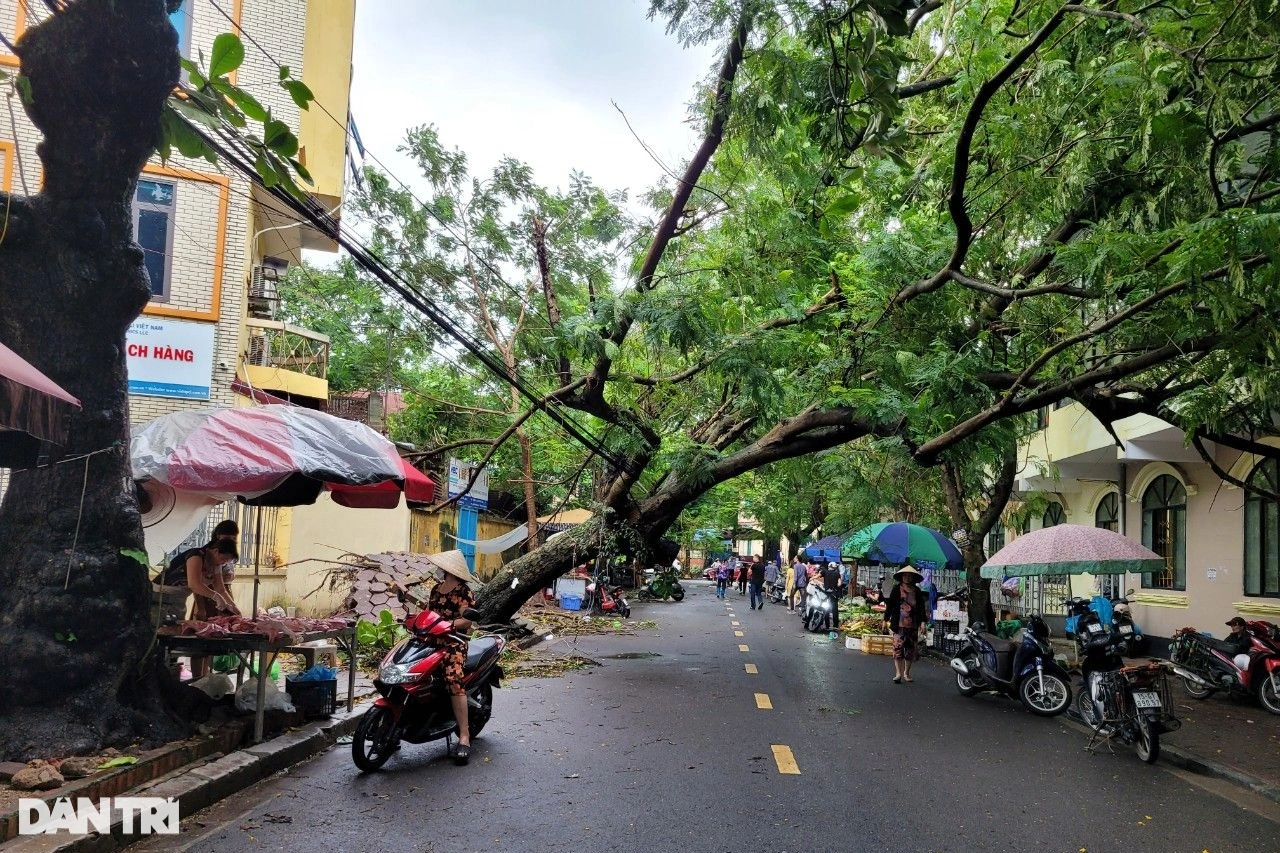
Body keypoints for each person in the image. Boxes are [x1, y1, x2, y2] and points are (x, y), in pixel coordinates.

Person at [398, 550, 477, 765]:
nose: (440, 569)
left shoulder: (464, 591)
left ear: (450, 570)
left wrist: (450, 625)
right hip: (430, 641)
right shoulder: (436, 589)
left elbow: (467, 620)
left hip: (453, 643)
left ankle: (464, 736)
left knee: (453, 680)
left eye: (443, 567)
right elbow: (428, 613)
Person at [156, 539, 240, 677]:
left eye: (227, 561)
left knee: (173, 635)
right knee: (164, 635)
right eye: (223, 558)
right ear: (216, 551)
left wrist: (233, 607)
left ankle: (170, 673)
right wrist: (215, 597)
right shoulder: (195, 556)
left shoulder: (216, 563)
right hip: (161, 595)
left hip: (179, 598)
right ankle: (162, 673)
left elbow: (220, 588)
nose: (223, 563)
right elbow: (194, 584)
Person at [883, 565, 928, 683]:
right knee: (897, 648)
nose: (907, 578)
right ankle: (898, 673)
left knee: (910, 650)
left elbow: (921, 608)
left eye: (910, 576)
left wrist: (923, 622)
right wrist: (885, 619)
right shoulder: (896, 589)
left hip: (912, 625)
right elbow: (890, 605)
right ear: (901, 577)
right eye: (905, 575)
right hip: (898, 625)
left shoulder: (917, 591)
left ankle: (906, 673)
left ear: (913, 578)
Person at [822, 562, 843, 629]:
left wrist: (812, 578)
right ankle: (835, 625)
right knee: (835, 610)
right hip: (834, 594)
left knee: (826, 609)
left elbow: (817, 576)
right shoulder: (837, 573)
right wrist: (837, 585)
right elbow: (839, 583)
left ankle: (827, 625)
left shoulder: (824, 572)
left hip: (826, 594)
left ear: (829, 566)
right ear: (835, 567)